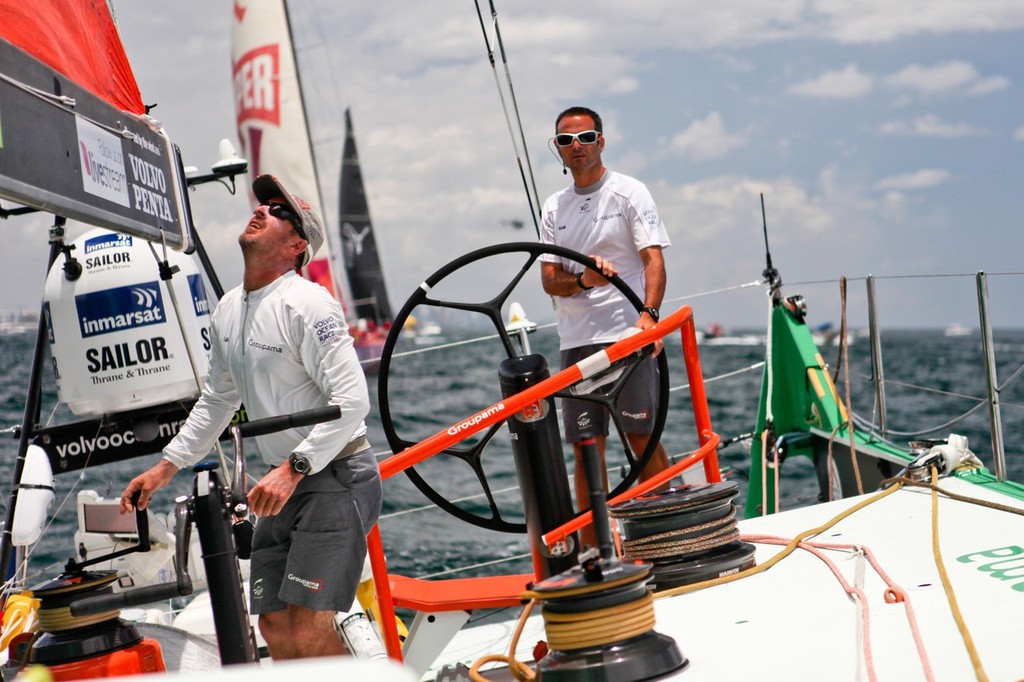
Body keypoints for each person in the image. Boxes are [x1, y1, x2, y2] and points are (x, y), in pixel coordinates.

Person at [120, 175, 382, 660]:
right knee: (276, 626)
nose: (263, 210)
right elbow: (218, 399)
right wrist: (165, 467)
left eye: (280, 211)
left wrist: (291, 470)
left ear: (298, 245)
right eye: (264, 204)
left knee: (307, 625)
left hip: (334, 475)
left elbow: (352, 401)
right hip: (285, 484)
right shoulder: (227, 311)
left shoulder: (308, 302)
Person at [539, 106, 672, 547]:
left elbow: (654, 260)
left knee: (640, 436)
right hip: (578, 343)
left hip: (625, 338)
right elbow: (550, 281)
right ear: (557, 149)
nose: (576, 146)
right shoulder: (553, 206)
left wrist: (648, 319)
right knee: (585, 447)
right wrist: (583, 279)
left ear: (601, 140)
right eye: (565, 140)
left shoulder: (630, 192)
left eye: (585, 136)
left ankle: (672, 527)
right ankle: (594, 550)